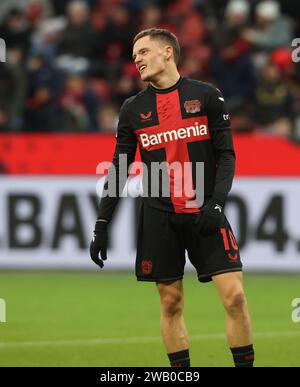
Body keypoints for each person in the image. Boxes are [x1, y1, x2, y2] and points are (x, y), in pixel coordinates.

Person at [90, 28, 254, 367]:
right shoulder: (133, 109)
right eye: (135, 56)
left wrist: (217, 203)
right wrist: (102, 223)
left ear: (168, 52)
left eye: (144, 52)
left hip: (206, 210)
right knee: (170, 304)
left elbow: (227, 156)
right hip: (158, 214)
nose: (137, 60)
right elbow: (120, 167)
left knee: (236, 297)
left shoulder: (206, 96)